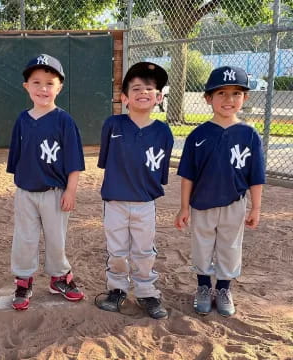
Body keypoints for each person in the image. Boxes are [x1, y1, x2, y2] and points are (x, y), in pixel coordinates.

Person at [174, 66, 265, 317]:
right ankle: (203, 287)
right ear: (208, 98)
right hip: (201, 203)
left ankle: (224, 289)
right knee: (202, 245)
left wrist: (256, 207)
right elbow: (188, 175)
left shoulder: (249, 135)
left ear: (245, 98)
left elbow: (256, 176)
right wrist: (184, 207)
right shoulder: (198, 135)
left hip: (234, 203)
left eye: (236, 93)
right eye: (221, 93)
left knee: (229, 246)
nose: (229, 99)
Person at [7, 54, 85, 310]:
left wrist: (70, 191)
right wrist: (20, 189)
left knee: (55, 238)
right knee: (24, 238)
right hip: (26, 192)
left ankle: (59, 277)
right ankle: (24, 280)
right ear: (26, 87)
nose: (43, 88)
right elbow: (17, 159)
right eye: (36, 82)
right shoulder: (22, 119)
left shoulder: (64, 120)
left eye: (50, 83)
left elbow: (74, 161)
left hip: (55, 192)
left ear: (59, 87)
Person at [95, 62, 173, 319]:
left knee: (144, 250)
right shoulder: (113, 125)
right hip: (115, 200)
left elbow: (160, 174)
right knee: (116, 249)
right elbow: (106, 160)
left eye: (150, 88)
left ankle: (146, 291)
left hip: (145, 202)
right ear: (124, 97)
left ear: (159, 97)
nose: (143, 92)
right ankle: (116, 289)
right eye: (136, 88)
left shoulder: (163, 132)